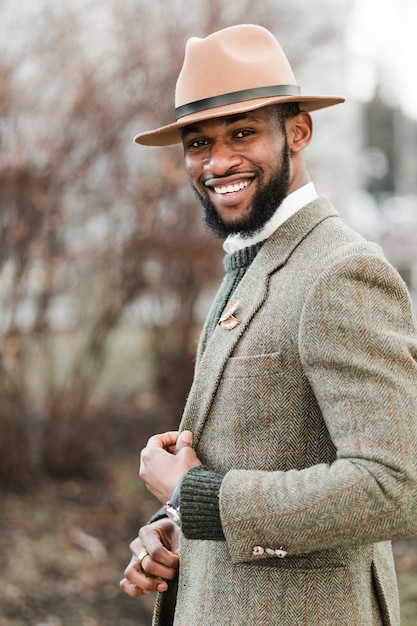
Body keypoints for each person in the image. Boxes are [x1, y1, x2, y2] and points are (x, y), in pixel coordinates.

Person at [120, 24, 417, 626]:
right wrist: (175, 526)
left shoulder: (340, 271)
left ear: (298, 132)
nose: (218, 161)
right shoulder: (253, 259)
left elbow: (394, 486)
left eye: (243, 133)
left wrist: (195, 497)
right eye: (198, 143)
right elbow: (257, 456)